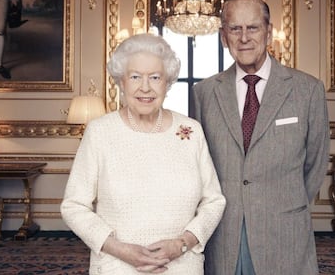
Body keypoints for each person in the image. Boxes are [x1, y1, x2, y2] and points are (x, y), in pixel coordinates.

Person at [61, 34, 226, 275]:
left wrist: (181, 244)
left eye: (155, 78)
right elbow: (74, 206)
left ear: (167, 83)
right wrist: (120, 249)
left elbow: (214, 201)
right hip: (116, 267)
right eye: (135, 77)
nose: (145, 87)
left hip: (182, 267)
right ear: (121, 82)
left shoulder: (191, 131)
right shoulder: (100, 132)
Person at [192, 0, 330, 275]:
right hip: (223, 234)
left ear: (268, 31)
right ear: (223, 36)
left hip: (283, 231)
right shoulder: (204, 93)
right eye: (235, 29)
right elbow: (198, 165)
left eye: (253, 28)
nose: (244, 38)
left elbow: (315, 164)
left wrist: (282, 201)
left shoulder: (308, 90)